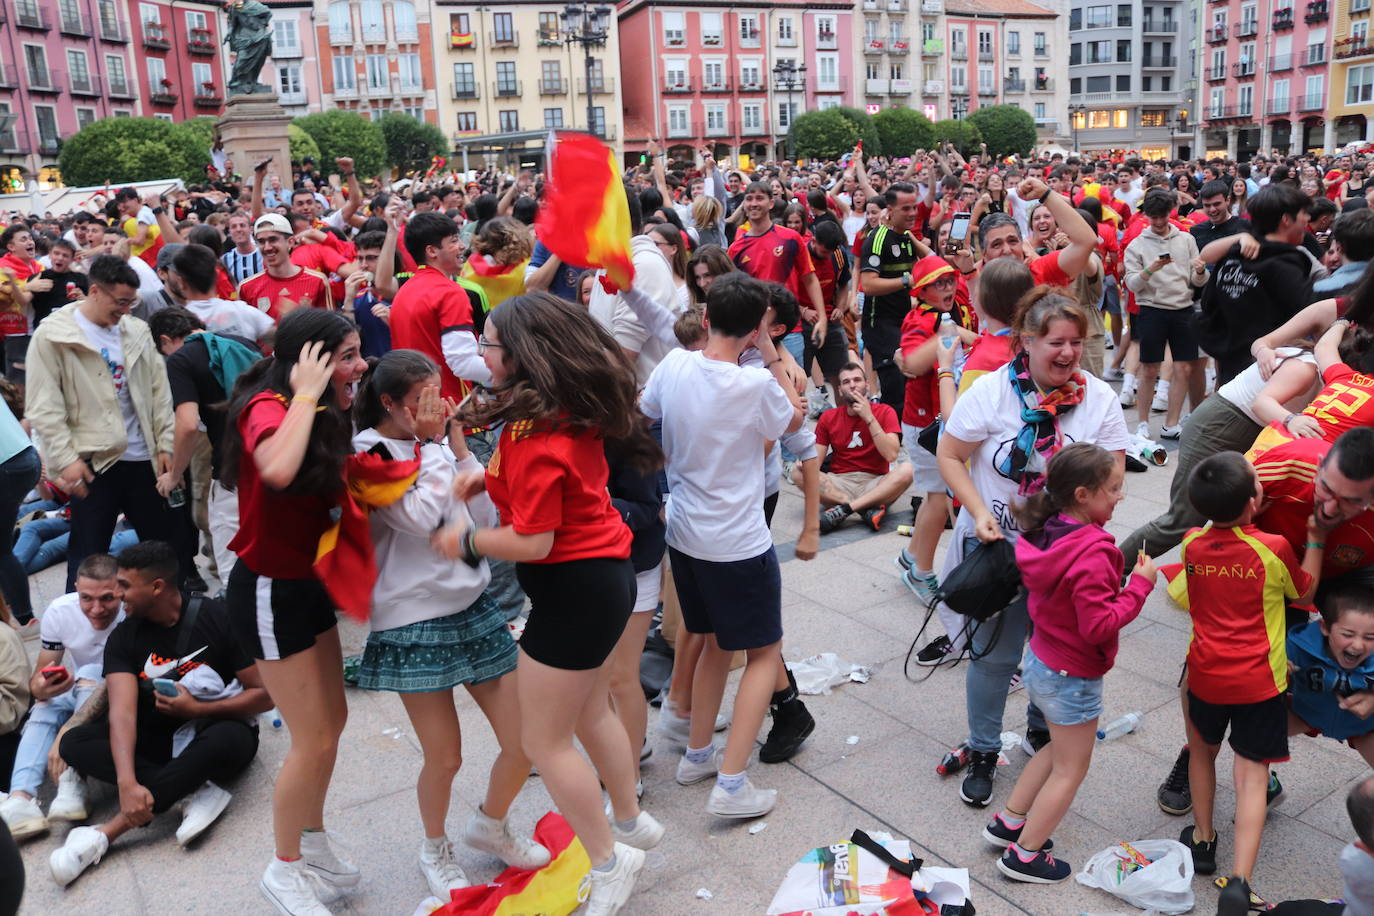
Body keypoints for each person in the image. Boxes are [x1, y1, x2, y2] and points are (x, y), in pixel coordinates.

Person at [433, 292, 665, 916]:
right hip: (601, 580)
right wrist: (489, 478)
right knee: (590, 713)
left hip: (574, 591)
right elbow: (555, 483)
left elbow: (533, 540)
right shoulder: (562, 408)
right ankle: (630, 819)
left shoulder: (537, 430)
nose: (480, 353)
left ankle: (611, 862)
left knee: (543, 740)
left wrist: (468, 538)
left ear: (522, 354)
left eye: (488, 343)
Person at [351, 350, 551, 898]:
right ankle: (434, 847)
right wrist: (438, 446)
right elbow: (421, 519)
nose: (438, 408)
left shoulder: (440, 446)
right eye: (423, 401)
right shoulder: (367, 453)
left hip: (473, 606)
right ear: (389, 403)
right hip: (414, 620)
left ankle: (490, 825)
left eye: (439, 395)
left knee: (526, 739)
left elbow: (480, 519)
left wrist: (461, 453)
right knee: (446, 756)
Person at [936, 288, 1131, 807]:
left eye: (1076, 342)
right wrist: (978, 511)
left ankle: (1041, 732)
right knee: (995, 658)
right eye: (1055, 343)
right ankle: (982, 749)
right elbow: (950, 455)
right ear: (1027, 342)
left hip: (1067, 559)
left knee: (1058, 656)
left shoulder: (1100, 398)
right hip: (1001, 549)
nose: (1068, 353)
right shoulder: (992, 393)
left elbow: (1113, 476)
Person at [220, 308, 368, 914]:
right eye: (349, 356)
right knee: (309, 740)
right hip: (267, 590)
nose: (360, 366)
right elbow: (277, 470)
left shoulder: (325, 404)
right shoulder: (270, 407)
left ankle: (311, 842)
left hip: (306, 585)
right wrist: (306, 395)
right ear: (311, 361)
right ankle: (283, 869)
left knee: (331, 726)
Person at [640, 273, 804, 819]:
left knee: (710, 639)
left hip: (684, 533)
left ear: (706, 317)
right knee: (761, 654)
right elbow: (793, 419)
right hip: (737, 540)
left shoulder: (675, 363)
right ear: (757, 326)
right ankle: (731, 785)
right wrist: (772, 354)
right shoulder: (754, 384)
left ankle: (699, 753)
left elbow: (646, 416)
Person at [50, 542, 271, 887]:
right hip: (159, 737)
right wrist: (126, 782)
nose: (118, 595)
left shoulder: (218, 616)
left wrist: (198, 709)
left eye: (124, 586)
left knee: (229, 738)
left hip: (215, 729)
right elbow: (121, 714)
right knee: (74, 742)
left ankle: (107, 834)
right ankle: (191, 792)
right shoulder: (125, 636)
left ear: (156, 587)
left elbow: (264, 695)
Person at [983, 443, 1155, 883]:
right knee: (1072, 766)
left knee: (1056, 750)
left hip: (1041, 659)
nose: (1121, 496)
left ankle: (1011, 821)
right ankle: (1025, 855)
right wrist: (1139, 586)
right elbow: (1098, 625)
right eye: (1114, 488)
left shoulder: (1046, 531)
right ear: (1083, 494)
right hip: (1072, 674)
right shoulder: (1095, 552)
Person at [1168, 452, 1322, 915]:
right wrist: (1315, 539)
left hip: (1205, 676)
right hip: (1260, 683)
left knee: (1201, 753)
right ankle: (1239, 881)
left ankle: (1202, 840)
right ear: (1255, 499)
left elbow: (1183, 593)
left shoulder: (1192, 543)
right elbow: (1306, 593)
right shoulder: (1272, 546)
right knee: (1251, 777)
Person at [24, 255, 191, 593]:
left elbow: (159, 393)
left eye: (132, 302)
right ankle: (84, 628)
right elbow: (44, 404)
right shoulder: (54, 335)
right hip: (93, 462)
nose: (126, 310)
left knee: (165, 549)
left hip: (144, 459)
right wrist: (65, 458)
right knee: (88, 553)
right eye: (120, 302)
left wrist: (165, 446)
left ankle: (174, 615)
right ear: (95, 291)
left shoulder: (136, 329)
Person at [0, 555, 125, 840]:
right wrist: (42, 688)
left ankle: (73, 781)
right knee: (47, 705)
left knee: (93, 670)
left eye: (107, 598)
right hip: (82, 688)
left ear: (122, 590)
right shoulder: (60, 611)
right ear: (76, 588)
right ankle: (22, 798)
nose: (96, 609)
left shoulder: (132, 612)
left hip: (120, 694)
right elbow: (39, 677)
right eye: (86, 598)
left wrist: (65, 734)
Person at [148, 307, 262, 585]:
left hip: (231, 470)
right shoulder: (242, 343)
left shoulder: (181, 360)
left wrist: (175, 475)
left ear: (165, 340)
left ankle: (242, 623)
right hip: (271, 458)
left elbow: (187, 425)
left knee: (231, 561)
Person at [895, 255, 976, 602]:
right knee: (937, 499)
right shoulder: (920, 318)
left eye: (949, 280)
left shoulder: (957, 309)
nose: (947, 287)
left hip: (944, 417)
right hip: (925, 422)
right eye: (937, 283)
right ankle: (921, 572)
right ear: (922, 291)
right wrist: (949, 334)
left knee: (937, 495)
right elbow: (911, 362)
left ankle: (912, 556)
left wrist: (958, 331)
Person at [1196, 183, 1319, 384]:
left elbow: (1209, 303)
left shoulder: (1232, 257)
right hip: (1268, 372)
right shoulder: (1283, 264)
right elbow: (1310, 313)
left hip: (1231, 368)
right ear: (1287, 220)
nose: (1307, 219)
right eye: (1303, 214)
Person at [1122, 189, 1209, 440]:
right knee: (1149, 369)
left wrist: (1201, 272)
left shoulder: (1186, 239)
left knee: (1183, 368)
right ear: (1147, 216)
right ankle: (1142, 423)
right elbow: (1131, 285)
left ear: (1170, 213)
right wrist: (1151, 269)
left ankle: (1171, 423)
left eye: (1163, 216)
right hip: (1151, 309)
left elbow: (1197, 280)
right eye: (1154, 217)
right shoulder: (1137, 244)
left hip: (1183, 309)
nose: (1159, 222)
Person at [814, 363, 912, 534]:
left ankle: (844, 509)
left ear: (867, 385)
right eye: (846, 382)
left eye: (857, 380)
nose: (852, 385)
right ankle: (865, 508)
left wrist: (869, 418)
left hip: (875, 483)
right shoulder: (829, 417)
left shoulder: (885, 411)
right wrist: (804, 464)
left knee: (909, 469)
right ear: (840, 389)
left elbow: (891, 455)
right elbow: (815, 463)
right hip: (839, 482)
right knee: (798, 473)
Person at [1287, 583, 1374, 769]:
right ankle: (1265, 783)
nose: (1358, 645)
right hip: (1304, 713)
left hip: (1364, 726)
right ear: (1325, 627)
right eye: (1348, 634)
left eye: (1370, 637)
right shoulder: (1298, 646)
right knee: (1252, 734)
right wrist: (1275, 665)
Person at [239, 214, 332, 320]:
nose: (267, 247)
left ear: (290, 242)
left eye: (273, 240)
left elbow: (329, 330)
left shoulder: (318, 281)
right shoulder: (247, 287)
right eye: (261, 242)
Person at [30, 239, 89, 327]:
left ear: (72, 259)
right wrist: (26, 287)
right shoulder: (38, 278)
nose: (60, 258)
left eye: (65, 255)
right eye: (56, 253)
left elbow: (92, 306)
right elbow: (23, 300)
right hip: (44, 329)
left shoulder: (81, 279)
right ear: (49, 254)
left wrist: (84, 299)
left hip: (71, 329)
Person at [220, 212, 263, 287]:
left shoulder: (264, 254)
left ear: (251, 229)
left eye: (242, 225)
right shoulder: (225, 260)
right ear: (229, 231)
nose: (238, 229)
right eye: (234, 227)